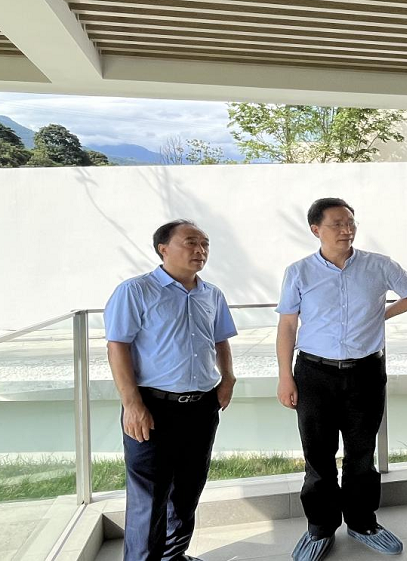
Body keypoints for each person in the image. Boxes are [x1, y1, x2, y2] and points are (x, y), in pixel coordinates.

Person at [276, 197, 407, 561]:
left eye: (350, 223)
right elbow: (287, 325)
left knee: (361, 453)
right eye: (337, 224)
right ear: (316, 229)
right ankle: (320, 527)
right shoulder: (299, 271)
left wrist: (381, 315)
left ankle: (363, 523)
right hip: (314, 373)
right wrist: (285, 376)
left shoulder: (379, 265)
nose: (346, 230)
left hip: (365, 372)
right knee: (318, 455)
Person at [104, 220, 238, 561]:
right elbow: (117, 347)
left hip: (201, 407)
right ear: (163, 248)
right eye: (191, 242)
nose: (200, 250)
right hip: (153, 406)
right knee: (149, 496)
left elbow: (220, 340)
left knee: (188, 489)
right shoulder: (135, 291)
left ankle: (173, 556)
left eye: (205, 244)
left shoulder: (212, 294)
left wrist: (227, 378)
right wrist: (132, 404)